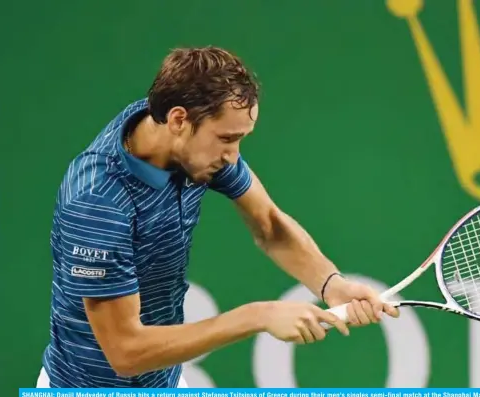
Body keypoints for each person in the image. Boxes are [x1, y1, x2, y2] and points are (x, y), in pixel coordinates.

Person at [37, 46, 399, 388]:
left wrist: (331, 285)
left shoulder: (185, 142)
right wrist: (256, 316)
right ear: (178, 120)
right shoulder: (98, 202)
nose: (233, 155)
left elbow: (270, 225)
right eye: (227, 138)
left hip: (163, 380)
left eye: (240, 138)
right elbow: (126, 351)